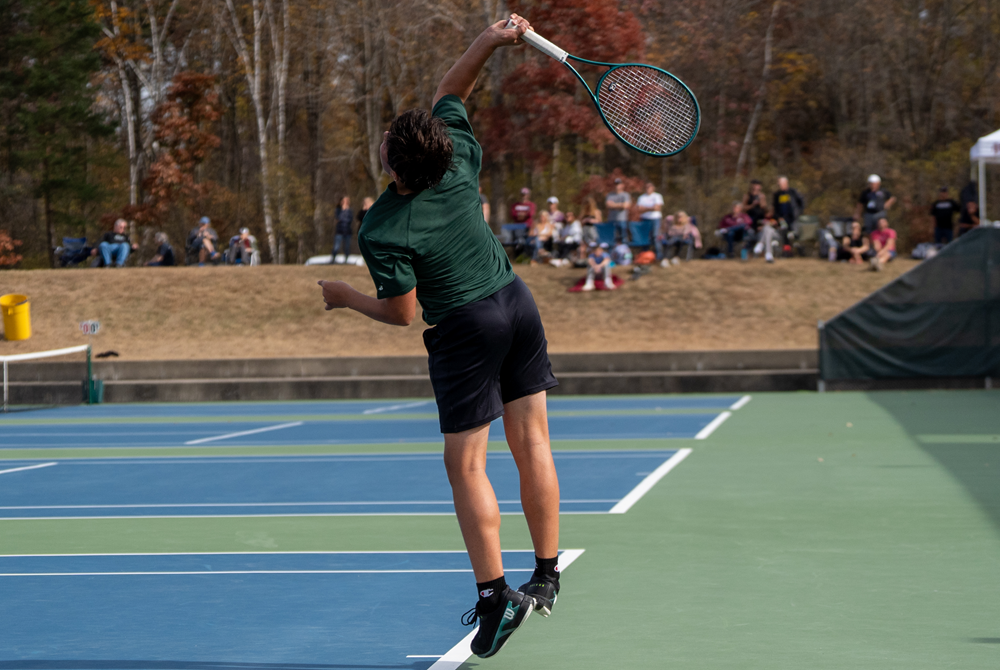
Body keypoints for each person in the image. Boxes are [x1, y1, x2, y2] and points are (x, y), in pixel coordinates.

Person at [316, 16, 557, 659]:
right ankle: (546, 574)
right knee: (531, 438)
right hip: (517, 302)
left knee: (466, 465)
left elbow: (401, 314)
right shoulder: (458, 155)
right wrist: (488, 41)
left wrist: (345, 298)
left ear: (393, 162)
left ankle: (493, 595)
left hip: (466, 328)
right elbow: (456, 89)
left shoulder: (382, 224)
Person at [605, 178, 631, 243]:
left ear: (622, 185)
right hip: (611, 220)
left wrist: (613, 205)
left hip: (622, 220)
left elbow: (626, 206)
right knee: (611, 238)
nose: (617, 186)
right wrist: (620, 205)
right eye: (616, 184)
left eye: (619, 184)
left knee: (624, 238)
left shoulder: (626, 195)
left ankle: (625, 252)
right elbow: (608, 205)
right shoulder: (610, 195)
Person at [332, 196, 354, 263]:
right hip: (339, 231)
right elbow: (339, 218)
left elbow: (349, 220)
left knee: (347, 247)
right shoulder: (338, 210)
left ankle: (346, 261)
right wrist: (343, 211)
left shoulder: (350, 211)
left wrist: (346, 211)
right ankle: (333, 260)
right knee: (336, 247)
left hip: (347, 231)